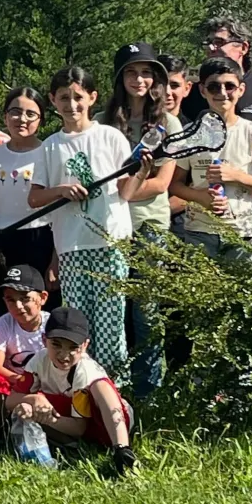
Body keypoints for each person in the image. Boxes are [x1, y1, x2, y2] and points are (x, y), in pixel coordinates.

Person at [26, 65, 140, 379]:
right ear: (52, 99)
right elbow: (34, 199)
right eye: (64, 97)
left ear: (92, 97)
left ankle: (114, 390)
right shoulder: (50, 145)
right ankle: (79, 388)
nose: (72, 104)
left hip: (109, 244)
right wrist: (61, 190)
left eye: (78, 96)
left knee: (111, 324)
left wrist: (141, 170)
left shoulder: (110, 136)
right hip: (72, 247)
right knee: (76, 325)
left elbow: (126, 191)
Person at [103, 43, 180, 400]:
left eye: (147, 73)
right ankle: (112, 387)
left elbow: (163, 183)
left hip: (149, 226)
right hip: (109, 226)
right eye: (132, 72)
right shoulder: (105, 123)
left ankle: (149, 391)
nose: (140, 80)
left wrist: (127, 190)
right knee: (113, 309)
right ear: (120, 79)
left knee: (147, 313)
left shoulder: (169, 123)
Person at [3, 304, 137, 476]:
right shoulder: (39, 360)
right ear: (44, 340)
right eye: (57, 345)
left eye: (73, 347)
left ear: (85, 345)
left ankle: (121, 449)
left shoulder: (85, 370)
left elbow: (82, 425)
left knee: (100, 386)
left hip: (107, 423)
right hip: (71, 417)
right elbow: (11, 400)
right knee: (26, 406)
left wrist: (121, 447)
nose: (64, 355)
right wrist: (32, 400)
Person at [171, 56, 252, 259]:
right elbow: (175, 184)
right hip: (199, 231)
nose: (222, 93)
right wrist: (200, 197)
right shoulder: (190, 134)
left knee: (241, 290)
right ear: (202, 90)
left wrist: (237, 176)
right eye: (214, 87)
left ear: (241, 90)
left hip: (241, 233)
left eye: (229, 86)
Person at [0, 86, 54, 280]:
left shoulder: (49, 153)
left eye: (31, 114)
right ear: (5, 116)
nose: (22, 119)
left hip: (37, 237)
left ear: (41, 120)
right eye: (15, 112)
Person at [182, 15, 252, 125]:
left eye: (219, 42)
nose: (211, 48)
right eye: (209, 43)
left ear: (243, 48)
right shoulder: (194, 93)